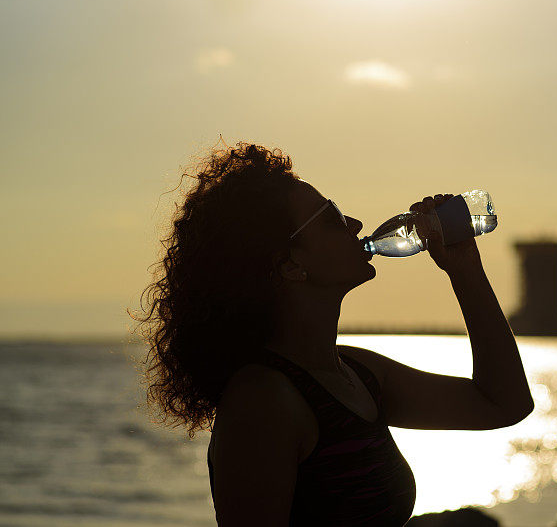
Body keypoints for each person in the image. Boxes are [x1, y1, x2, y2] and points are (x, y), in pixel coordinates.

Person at [132, 142, 534, 526]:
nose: (356, 224)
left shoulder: (356, 373)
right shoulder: (262, 403)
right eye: (331, 217)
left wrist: (464, 269)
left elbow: (503, 404)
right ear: (290, 265)